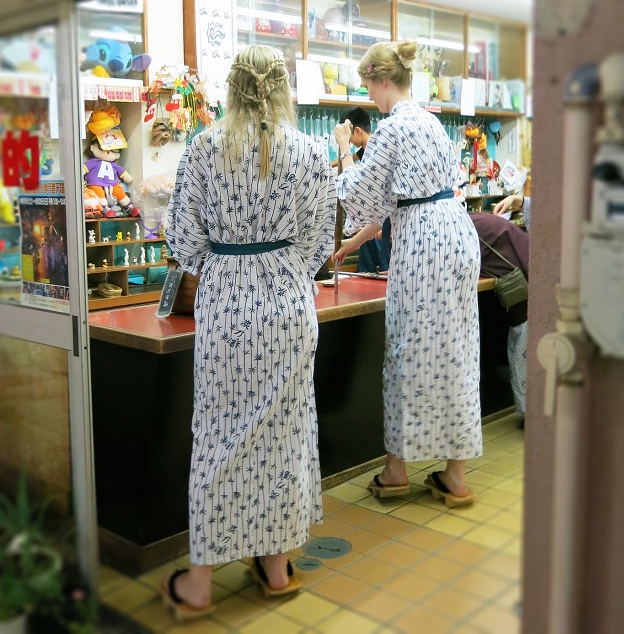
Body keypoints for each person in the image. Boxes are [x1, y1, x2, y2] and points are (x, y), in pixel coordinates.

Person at [163, 45, 336, 620]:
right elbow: (318, 242)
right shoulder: (309, 152)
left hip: (226, 308)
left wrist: (225, 262)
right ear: (283, 88)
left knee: (219, 437)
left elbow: (183, 242)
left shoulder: (205, 148)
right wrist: (282, 267)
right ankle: (278, 566)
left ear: (231, 87)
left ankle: (201, 583)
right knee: (284, 437)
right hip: (287, 305)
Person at [333, 40, 482, 508]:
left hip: (424, 244)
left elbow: (359, 193)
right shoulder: (431, 122)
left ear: (380, 80)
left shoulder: (392, 128)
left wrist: (341, 152)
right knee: (456, 348)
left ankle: (396, 469)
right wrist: (356, 243)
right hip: (456, 234)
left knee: (407, 347)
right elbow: (398, 200)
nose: (370, 98)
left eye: (368, 87)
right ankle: (455, 475)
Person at [469, 211, 529, 426]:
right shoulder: (486, 223)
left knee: (523, 353)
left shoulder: (462, 227)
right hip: (537, 290)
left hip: (525, 304)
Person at [338, 107, 391, 272]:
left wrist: (343, 144)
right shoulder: (369, 152)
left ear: (358, 131)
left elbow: (353, 191)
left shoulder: (376, 153)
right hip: (376, 228)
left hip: (385, 231)